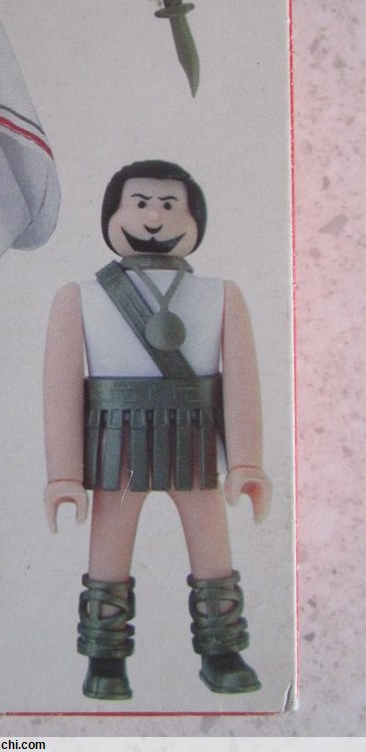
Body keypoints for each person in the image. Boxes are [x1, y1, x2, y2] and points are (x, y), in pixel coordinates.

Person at [43, 160, 272, 699]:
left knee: (213, 551)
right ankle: (105, 658)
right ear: (111, 214)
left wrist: (246, 462)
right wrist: (63, 475)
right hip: (116, 443)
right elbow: (60, 388)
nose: (152, 218)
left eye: (169, 205)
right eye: (139, 203)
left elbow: (242, 381)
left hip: (195, 440)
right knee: (108, 553)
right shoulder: (80, 296)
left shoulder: (221, 294)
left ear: (195, 219)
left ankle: (222, 650)